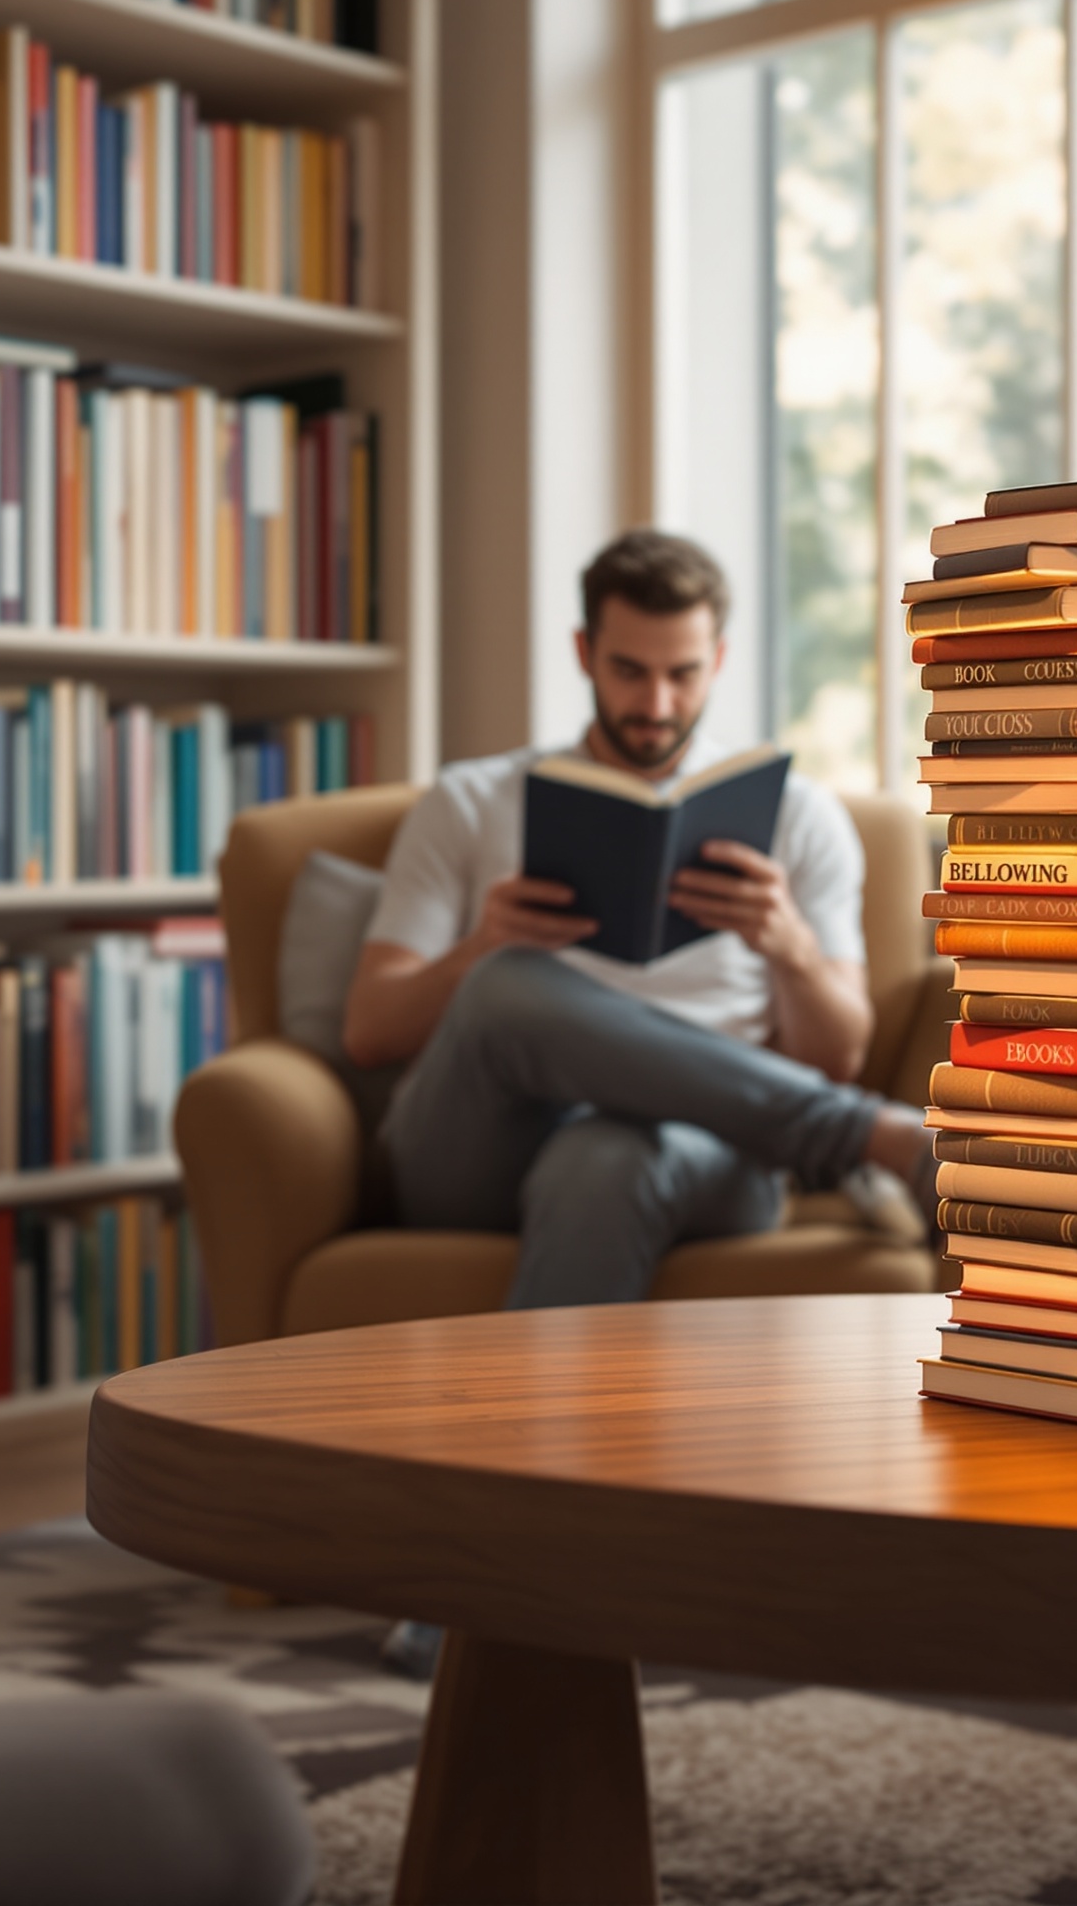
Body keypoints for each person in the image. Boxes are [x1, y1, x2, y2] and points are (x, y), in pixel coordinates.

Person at [346, 528, 934, 1677]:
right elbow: (370, 1028)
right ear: (583, 651)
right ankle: (866, 1148)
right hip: (478, 1143)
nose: (655, 700)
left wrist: (789, 947)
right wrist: (482, 945)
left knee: (606, 1158)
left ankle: (486, 1589)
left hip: (700, 1150)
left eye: (682, 671)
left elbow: (842, 1041)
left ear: (718, 659)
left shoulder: (798, 820)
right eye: (628, 669)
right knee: (520, 985)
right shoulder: (470, 803)